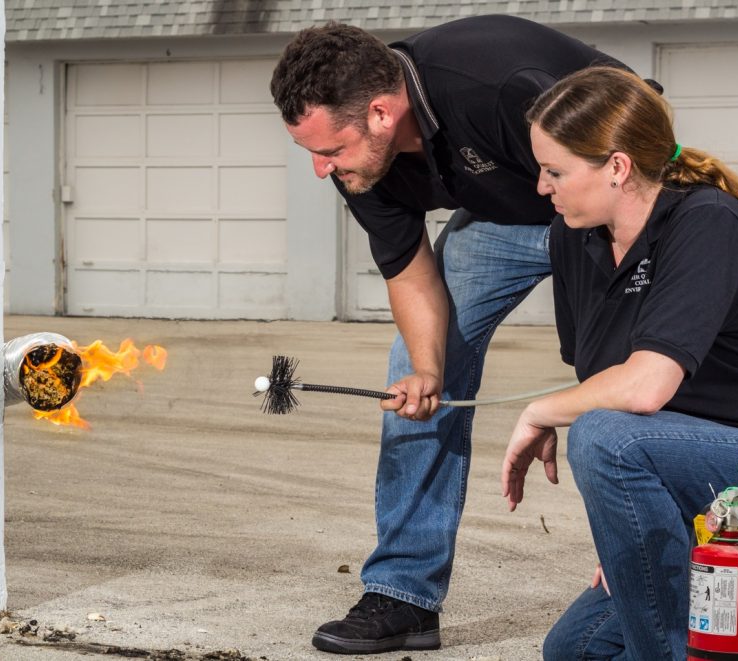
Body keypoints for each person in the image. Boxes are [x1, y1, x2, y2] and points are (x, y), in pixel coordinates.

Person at [269, 15, 643, 654]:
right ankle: (403, 596)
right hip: (504, 221)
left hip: (610, 203)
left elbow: (622, 175)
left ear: (381, 114)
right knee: (412, 380)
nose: (320, 169)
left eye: (329, 150)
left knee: (623, 377)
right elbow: (410, 271)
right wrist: (428, 371)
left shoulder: (497, 87)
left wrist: (592, 375)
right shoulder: (362, 165)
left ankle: (655, 563)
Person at [502, 65, 738, 660]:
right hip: (703, 505)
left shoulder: (706, 221)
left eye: (555, 171)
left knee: (606, 436)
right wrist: (628, 539)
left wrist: (539, 411)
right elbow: (602, 381)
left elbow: (644, 388)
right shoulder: (572, 237)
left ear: (617, 166)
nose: (541, 186)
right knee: (575, 650)